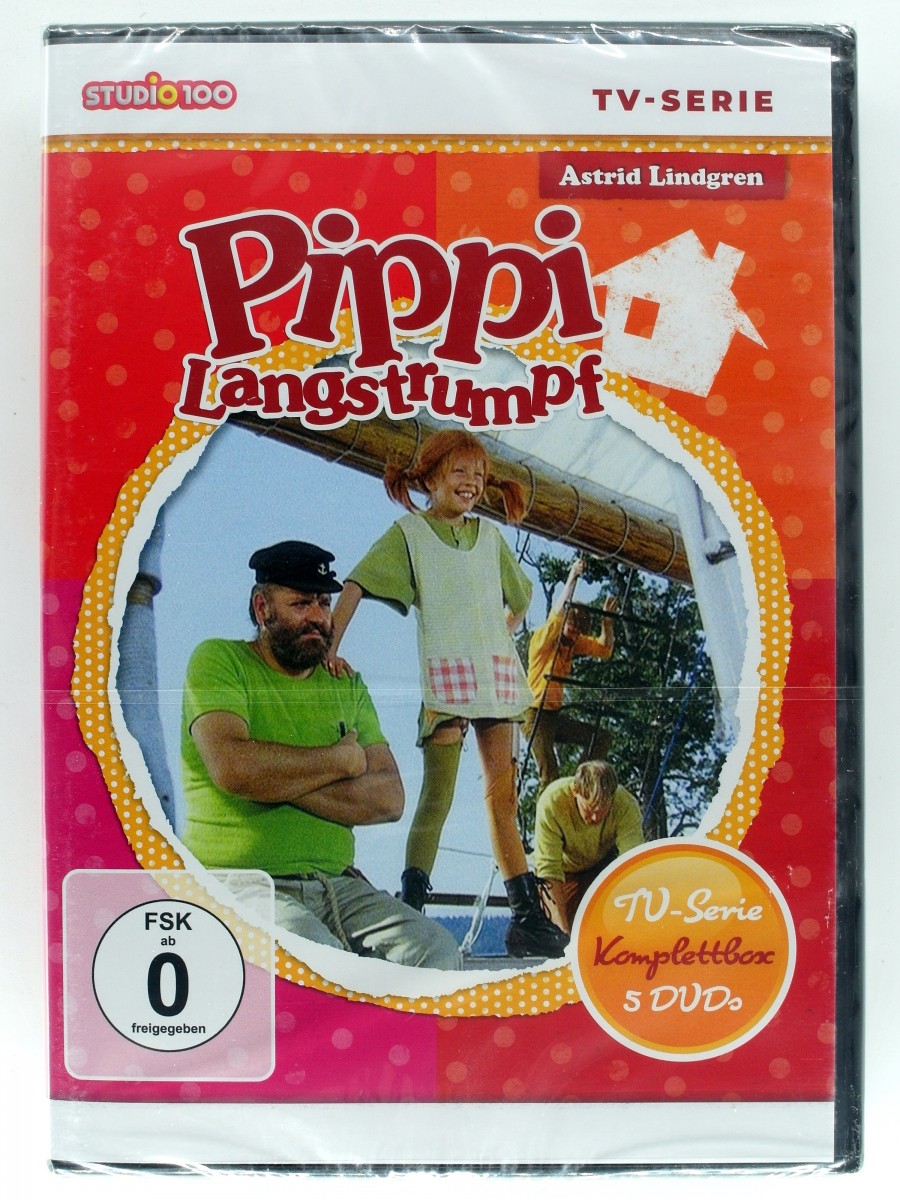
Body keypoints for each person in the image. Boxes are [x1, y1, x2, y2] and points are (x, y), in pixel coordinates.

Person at [327, 429, 568, 959]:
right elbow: (356, 584)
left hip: (496, 678)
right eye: (460, 472)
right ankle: (411, 911)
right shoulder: (410, 534)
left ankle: (527, 918)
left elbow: (521, 599)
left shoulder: (490, 538)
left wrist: (499, 633)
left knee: (502, 799)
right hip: (448, 681)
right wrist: (331, 648)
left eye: (479, 476)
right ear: (431, 478)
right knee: (438, 796)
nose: (471, 483)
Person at [180, 539, 461, 969]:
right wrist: (339, 762)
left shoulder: (345, 684)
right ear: (262, 608)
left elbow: (389, 799)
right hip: (244, 885)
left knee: (436, 950)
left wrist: (270, 779)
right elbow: (233, 767)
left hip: (340, 887)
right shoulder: (219, 661)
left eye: (324, 603)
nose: (317, 616)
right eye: (300, 603)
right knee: (320, 961)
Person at [523, 557, 618, 793]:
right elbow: (558, 612)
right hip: (534, 714)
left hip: (555, 715)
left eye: (578, 631)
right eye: (572, 627)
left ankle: (578, 784)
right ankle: (548, 810)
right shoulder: (544, 639)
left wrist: (606, 622)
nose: (574, 633)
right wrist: (572, 576)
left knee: (601, 737)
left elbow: (604, 649)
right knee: (549, 774)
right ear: (564, 623)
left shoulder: (573, 643)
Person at [533, 760, 644, 935]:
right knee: (555, 929)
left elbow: (632, 865)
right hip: (564, 873)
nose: (595, 818)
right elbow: (548, 870)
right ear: (575, 791)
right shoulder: (551, 803)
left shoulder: (626, 805)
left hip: (602, 868)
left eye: (602, 811)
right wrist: (562, 935)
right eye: (589, 809)